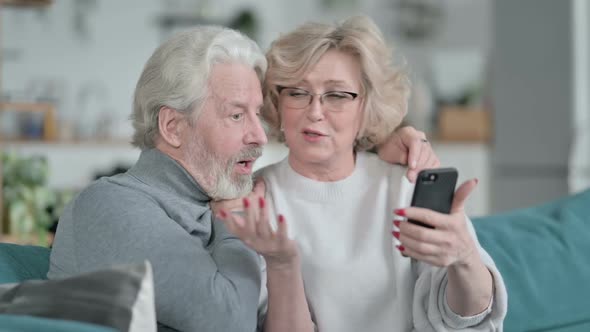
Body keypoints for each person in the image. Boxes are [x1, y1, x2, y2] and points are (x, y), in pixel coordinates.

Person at [48, 25, 439, 332]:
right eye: (237, 116)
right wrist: (235, 222)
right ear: (172, 126)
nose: (259, 135)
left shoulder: (212, 196)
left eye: (257, 113)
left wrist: (374, 142)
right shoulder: (112, 205)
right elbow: (229, 322)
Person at [217, 16, 507, 331]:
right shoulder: (255, 200)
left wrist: (464, 257)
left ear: (366, 106)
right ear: (277, 101)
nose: (315, 112)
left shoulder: (405, 184)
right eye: (298, 93)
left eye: (337, 95)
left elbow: (469, 319)